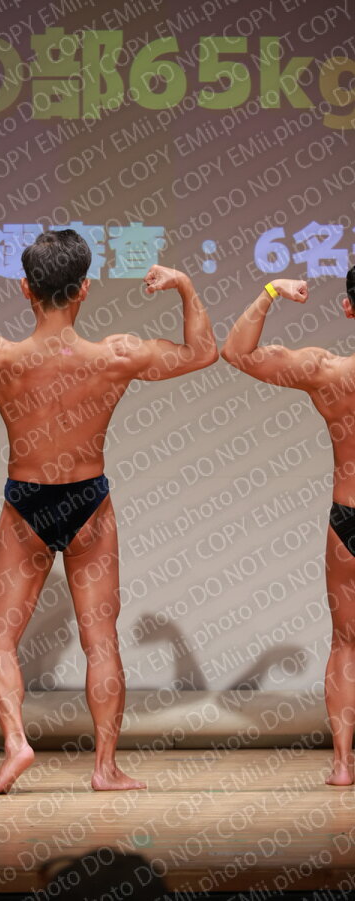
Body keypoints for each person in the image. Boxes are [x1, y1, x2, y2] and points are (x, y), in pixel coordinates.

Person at [0, 229, 218, 794]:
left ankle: (16, 743)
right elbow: (202, 353)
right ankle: (104, 768)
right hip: (89, 500)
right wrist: (186, 287)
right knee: (101, 641)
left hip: (26, 501)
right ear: (84, 289)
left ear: (26, 289)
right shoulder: (114, 356)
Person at [221, 269, 355, 786]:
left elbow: (236, 352)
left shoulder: (326, 371)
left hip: (348, 517)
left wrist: (271, 292)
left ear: (348, 308)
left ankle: (342, 764)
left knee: (346, 643)